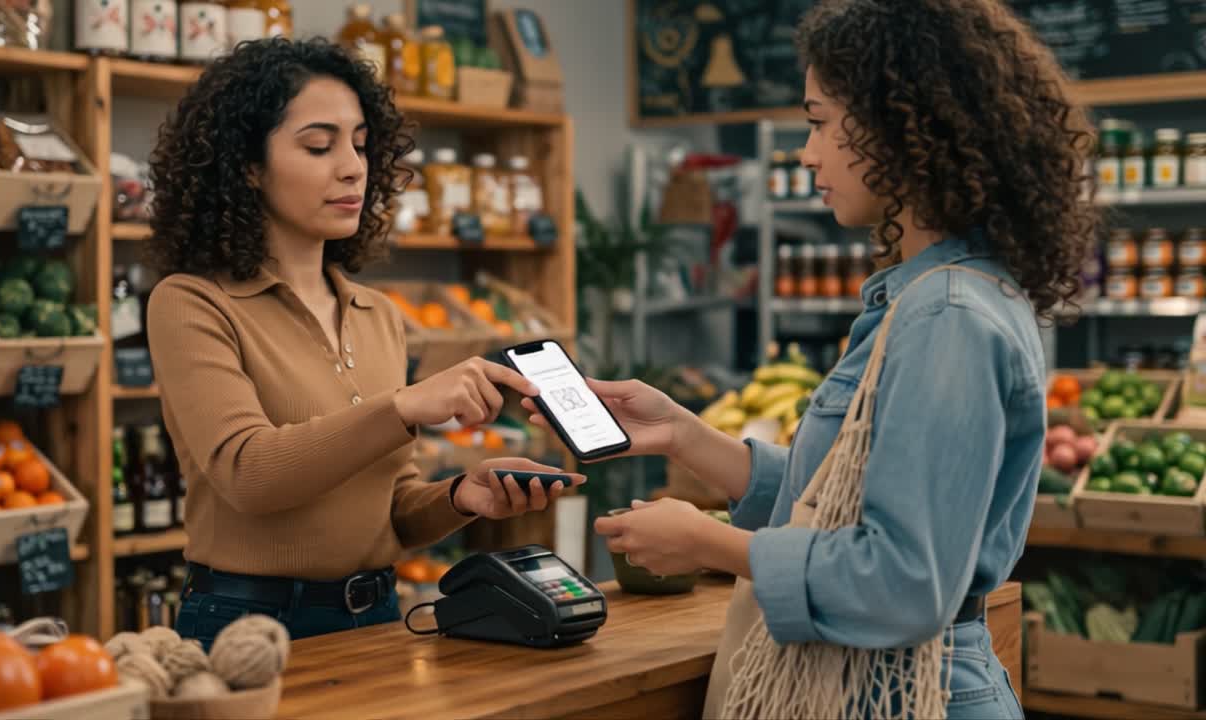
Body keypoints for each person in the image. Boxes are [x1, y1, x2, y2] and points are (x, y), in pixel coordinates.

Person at [529, 1, 1095, 718]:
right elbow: (837, 499)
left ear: (897, 124)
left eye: (820, 121)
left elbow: (904, 582)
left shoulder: (946, 315)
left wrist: (708, 542)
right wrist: (684, 435)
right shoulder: (928, 295)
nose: (807, 152)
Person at [145, 37, 578, 648]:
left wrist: (461, 495)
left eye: (359, 143)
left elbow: (390, 507)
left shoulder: (377, 314)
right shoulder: (191, 303)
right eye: (319, 146)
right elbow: (249, 473)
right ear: (246, 163)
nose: (352, 165)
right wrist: (402, 407)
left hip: (376, 617)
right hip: (246, 628)